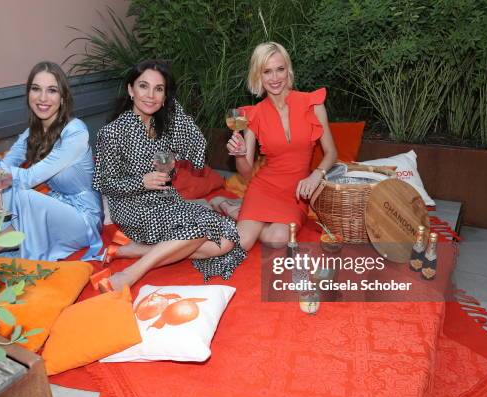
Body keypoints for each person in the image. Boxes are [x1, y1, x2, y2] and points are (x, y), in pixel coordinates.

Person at [92, 59, 246, 291]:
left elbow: (197, 149)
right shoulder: (112, 132)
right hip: (132, 207)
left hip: (167, 201)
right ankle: (132, 273)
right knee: (202, 230)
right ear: (130, 90)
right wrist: (141, 181)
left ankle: (136, 250)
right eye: (143, 86)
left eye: (159, 89)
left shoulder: (165, 124)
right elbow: (104, 183)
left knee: (226, 239)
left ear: (165, 96)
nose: (150, 95)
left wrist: (173, 111)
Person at [0, 61, 102, 260]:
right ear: (28, 94)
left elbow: (28, 178)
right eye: (36, 89)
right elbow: (7, 166)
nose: (43, 98)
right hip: (53, 209)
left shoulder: (76, 132)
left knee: (24, 194)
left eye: (52, 90)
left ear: (63, 97)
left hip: (83, 219)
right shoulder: (31, 134)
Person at [216, 42, 337, 250]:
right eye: (267, 71)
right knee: (242, 243)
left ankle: (236, 210)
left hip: (296, 192)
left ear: (288, 70)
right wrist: (240, 154)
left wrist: (316, 175)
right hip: (264, 188)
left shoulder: (313, 104)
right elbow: (246, 174)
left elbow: (332, 153)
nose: (274, 78)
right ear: (259, 76)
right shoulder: (253, 115)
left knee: (278, 238)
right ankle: (230, 207)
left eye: (280, 69)